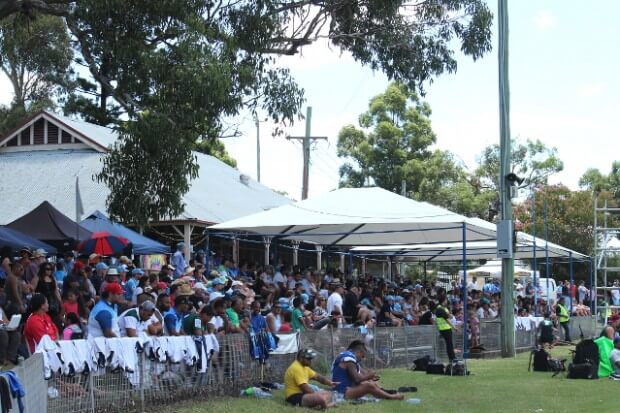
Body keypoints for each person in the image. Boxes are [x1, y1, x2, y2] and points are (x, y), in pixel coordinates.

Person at [331, 340, 404, 400]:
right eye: (362, 356)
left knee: (371, 382)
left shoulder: (347, 357)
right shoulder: (349, 359)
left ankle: (383, 392)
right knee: (368, 385)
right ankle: (391, 397)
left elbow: (362, 374)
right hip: (341, 393)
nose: (362, 359)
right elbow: (357, 379)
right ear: (358, 352)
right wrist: (369, 375)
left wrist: (370, 377)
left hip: (346, 389)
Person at [436, 296, 456, 361]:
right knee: (449, 344)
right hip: (444, 329)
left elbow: (451, 316)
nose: (447, 301)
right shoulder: (440, 309)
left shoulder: (445, 308)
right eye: (446, 300)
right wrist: (454, 327)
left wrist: (450, 311)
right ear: (443, 301)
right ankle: (452, 358)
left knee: (450, 343)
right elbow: (447, 319)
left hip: (447, 328)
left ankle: (452, 357)